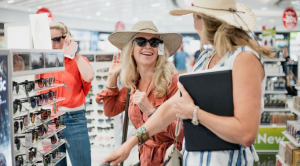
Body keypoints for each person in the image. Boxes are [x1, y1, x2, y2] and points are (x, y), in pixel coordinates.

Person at [100, 0, 273, 165]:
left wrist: (194, 113)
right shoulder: (206, 57)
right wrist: (130, 143)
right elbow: (169, 108)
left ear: (204, 20)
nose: (193, 23)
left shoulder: (243, 58)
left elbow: (246, 133)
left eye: (195, 16)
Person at [95, 21, 184, 166]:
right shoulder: (132, 85)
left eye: (154, 42)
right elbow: (110, 111)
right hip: (144, 159)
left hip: (168, 160)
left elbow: (182, 134)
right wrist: (112, 77)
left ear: (159, 49)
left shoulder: (173, 83)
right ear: (131, 49)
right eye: (141, 41)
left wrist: (150, 111)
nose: (148, 46)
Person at [42, 22, 94, 166]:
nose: (52, 44)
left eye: (56, 39)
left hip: (74, 120)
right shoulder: (41, 62)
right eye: (49, 40)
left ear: (66, 38)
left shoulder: (77, 60)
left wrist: (74, 52)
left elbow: (89, 76)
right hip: (48, 122)